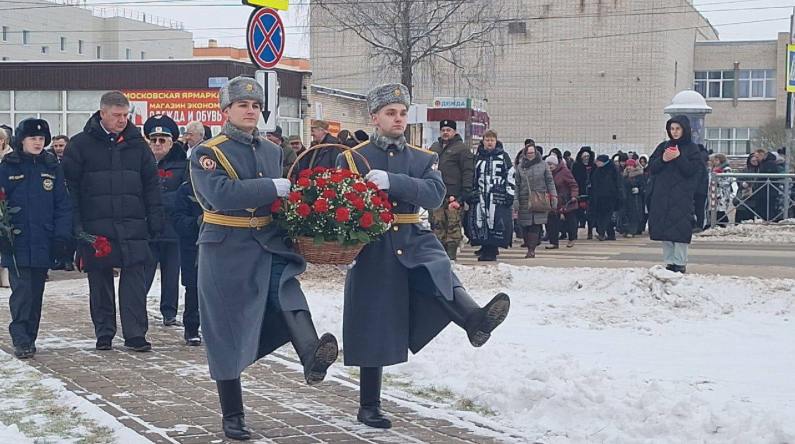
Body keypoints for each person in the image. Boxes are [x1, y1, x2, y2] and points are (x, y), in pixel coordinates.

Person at [336, 83, 510, 429]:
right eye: (390, 113)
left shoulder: (423, 156)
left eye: (402, 113)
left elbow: (433, 194)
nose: (398, 119)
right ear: (375, 118)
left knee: (439, 271)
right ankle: (369, 405)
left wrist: (393, 181)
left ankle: (474, 320)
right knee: (375, 322)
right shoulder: (352, 157)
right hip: (372, 243)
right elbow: (342, 200)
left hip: (412, 235)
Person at [190, 76, 338, 441]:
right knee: (225, 330)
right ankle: (233, 415)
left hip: (267, 242)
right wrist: (270, 188)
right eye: (243, 105)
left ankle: (311, 355)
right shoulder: (208, 152)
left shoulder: (272, 151)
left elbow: (280, 199)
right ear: (226, 111)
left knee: (285, 290)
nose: (250, 111)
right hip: (225, 245)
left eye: (255, 106)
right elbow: (220, 195)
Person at [63, 91, 164, 352]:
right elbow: (69, 189)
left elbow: (152, 186)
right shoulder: (80, 145)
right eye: (117, 115)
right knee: (100, 282)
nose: (122, 120)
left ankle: (135, 334)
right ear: (102, 114)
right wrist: (76, 227)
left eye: (126, 115)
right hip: (95, 225)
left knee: (134, 282)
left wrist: (155, 220)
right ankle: (104, 332)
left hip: (132, 223)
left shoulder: (138, 145)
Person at [0, 118, 71, 359]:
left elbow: (62, 204)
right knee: (21, 293)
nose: (38, 143)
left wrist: (62, 236)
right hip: (16, 242)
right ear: (21, 140)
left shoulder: (51, 166)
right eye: (33, 138)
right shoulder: (8, 167)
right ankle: (20, 338)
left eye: (41, 139)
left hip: (43, 240)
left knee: (36, 293)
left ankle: (30, 337)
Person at [142, 115, 186, 327]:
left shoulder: (182, 165)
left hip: (173, 228)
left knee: (171, 274)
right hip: (148, 228)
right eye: (154, 139)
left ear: (172, 142)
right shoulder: (142, 163)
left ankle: (169, 312)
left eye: (162, 140)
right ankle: (136, 308)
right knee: (144, 272)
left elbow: (182, 194)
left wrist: (156, 201)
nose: (158, 144)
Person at [647, 115, 702, 273]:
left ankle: (680, 262)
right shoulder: (663, 146)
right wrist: (663, 159)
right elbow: (652, 167)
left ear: (684, 129)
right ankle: (669, 261)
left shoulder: (692, 148)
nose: (675, 132)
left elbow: (691, 171)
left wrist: (679, 158)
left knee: (680, 230)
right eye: (672, 129)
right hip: (663, 195)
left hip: (682, 196)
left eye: (678, 128)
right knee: (665, 229)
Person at [465, 129, 514, 262]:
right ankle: (485, 247)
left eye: (492, 140)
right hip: (481, 195)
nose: (489, 143)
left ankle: (491, 251)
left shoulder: (503, 156)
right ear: (483, 141)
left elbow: (510, 175)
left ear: (496, 141)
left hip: (497, 196)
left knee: (495, 223)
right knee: (481, 223)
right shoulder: (478, 156)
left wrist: (509, 193)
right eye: (487, 140)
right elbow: (472, 175)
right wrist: (471, 193)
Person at [429, 119, 474, 260]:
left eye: (448, 130)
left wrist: (465, 193)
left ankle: (451, 257)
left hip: (453, 195)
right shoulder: (435, 147)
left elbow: (468, 171)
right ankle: (439, 256)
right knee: (437, 225)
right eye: (443, 130)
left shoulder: (462, 149)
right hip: (437, 194)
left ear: (454, 132)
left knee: (452, 227)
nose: (445, 133)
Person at [172, 172, 202, 345]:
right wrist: (196, 222)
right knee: (193, 288)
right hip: (193, 246)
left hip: (219, 245)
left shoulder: (220, 187)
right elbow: (177, 219)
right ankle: (191, 328)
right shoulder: (186, 190)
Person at [513, 145, 557, 258]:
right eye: (528, 153)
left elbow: (550, 182)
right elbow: (517, 184)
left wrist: (554, 197)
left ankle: (531, 250)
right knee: (525, 225)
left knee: (535, 225)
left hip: (539, 199)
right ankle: (529, 244)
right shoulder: (520, 167)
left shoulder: (543, 165)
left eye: (532, 153)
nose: (531, 155)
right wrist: (515, 200)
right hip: (524, 200)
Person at [545, 155, 579, 249]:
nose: (549, 166)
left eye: (551, 164)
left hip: (566, 200)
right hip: (552, 200)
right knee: (551, 222)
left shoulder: (564, 172)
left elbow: (573, 185)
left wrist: (574, 196)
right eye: (547, 164)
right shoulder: (546, 173)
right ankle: (554, 242)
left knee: (570, 220)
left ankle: (572, 238)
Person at [590, 154, 622, 241]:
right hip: (599, 198)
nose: (596, 163)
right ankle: (608, 234)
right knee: (601, 217)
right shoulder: (597, 170)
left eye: (598, 161)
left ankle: (603, 233)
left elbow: (617, 184)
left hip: (610, 198)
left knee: (607, 217)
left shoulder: (612, 170)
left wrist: (617, 196)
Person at [572, 146, 595, 238]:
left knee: (590, 213)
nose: (586, 159)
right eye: (584, 157)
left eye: (587, 157)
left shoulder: (593, 166)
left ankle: (590, 231)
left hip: (590, 193)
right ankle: (575, 233)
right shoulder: (576, 166)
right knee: (578, 213)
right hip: (579, 192)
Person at [620, 158, 646, 236]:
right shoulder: (624, 176)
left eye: (631, 166)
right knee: (625, 214)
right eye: (627, 165)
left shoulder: (639, 175)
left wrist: (639, 190)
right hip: (626, 197)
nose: (629, 167)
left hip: (635, 198)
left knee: (634, 215)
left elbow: (644, 186)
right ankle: (626, 229)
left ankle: (632, 230)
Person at [709, 153, 734, 228]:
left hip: (723, 192)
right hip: (713, 191)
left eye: (717, 160)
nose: (715, 162)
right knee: (713, 208)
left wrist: (717, 180)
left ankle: (723, 223)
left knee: (721, 209)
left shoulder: (726, 169)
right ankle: (715, 223)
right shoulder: (713, 168)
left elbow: (728, 180)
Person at [692, 143, 710, 232]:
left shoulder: (698, 160)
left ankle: (697, 225)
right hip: (702, 189)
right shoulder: (703, 159)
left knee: (697, 208)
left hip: (697, 189)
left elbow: (697, 177)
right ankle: (699, 225)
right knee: (700, 208)